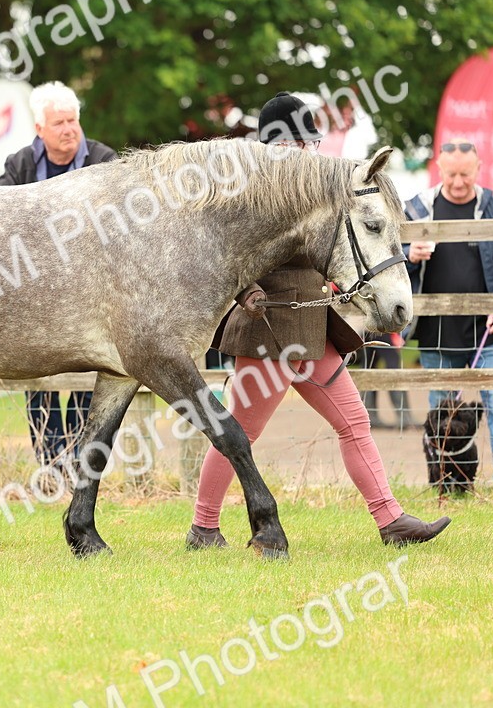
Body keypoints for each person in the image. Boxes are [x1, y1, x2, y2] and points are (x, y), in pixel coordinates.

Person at [188, 91, 451, 550]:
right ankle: (204, 527)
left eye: (310, 142)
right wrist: (246, 290)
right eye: (299, 142)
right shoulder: (251, 193)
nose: (309, 151)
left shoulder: (313, 190)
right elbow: (228, 258)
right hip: (269, 332)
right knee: (241, 435)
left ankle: (391, 521)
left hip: (313, 331)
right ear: (278, 144)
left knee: (354, 422)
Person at [0, 82, 117, 467]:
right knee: (41, 385)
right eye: (59, 123)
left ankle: (78, 463)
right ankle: (49, 464)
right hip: (34, 294)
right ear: (40, 130)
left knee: (87, 380)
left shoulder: (103, 160)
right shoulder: (20, 165)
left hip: (89, 294)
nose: (69, 129)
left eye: (73, 121)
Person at [404, 138, 493, 483]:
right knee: (440, 411)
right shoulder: (415, 210)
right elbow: (385, 259)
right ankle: (444, 479)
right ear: (439, 168)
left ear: (478, 169)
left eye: (465, 175)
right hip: (436, 333)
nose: (458, 183)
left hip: (488, 333)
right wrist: (408, 255)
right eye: (451, 175)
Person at [361, 331, 411, 430]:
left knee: (369, 364)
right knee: (392, 363)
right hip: (380, 326)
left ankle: (370, 415)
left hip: (365, 325)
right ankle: (404, 415)